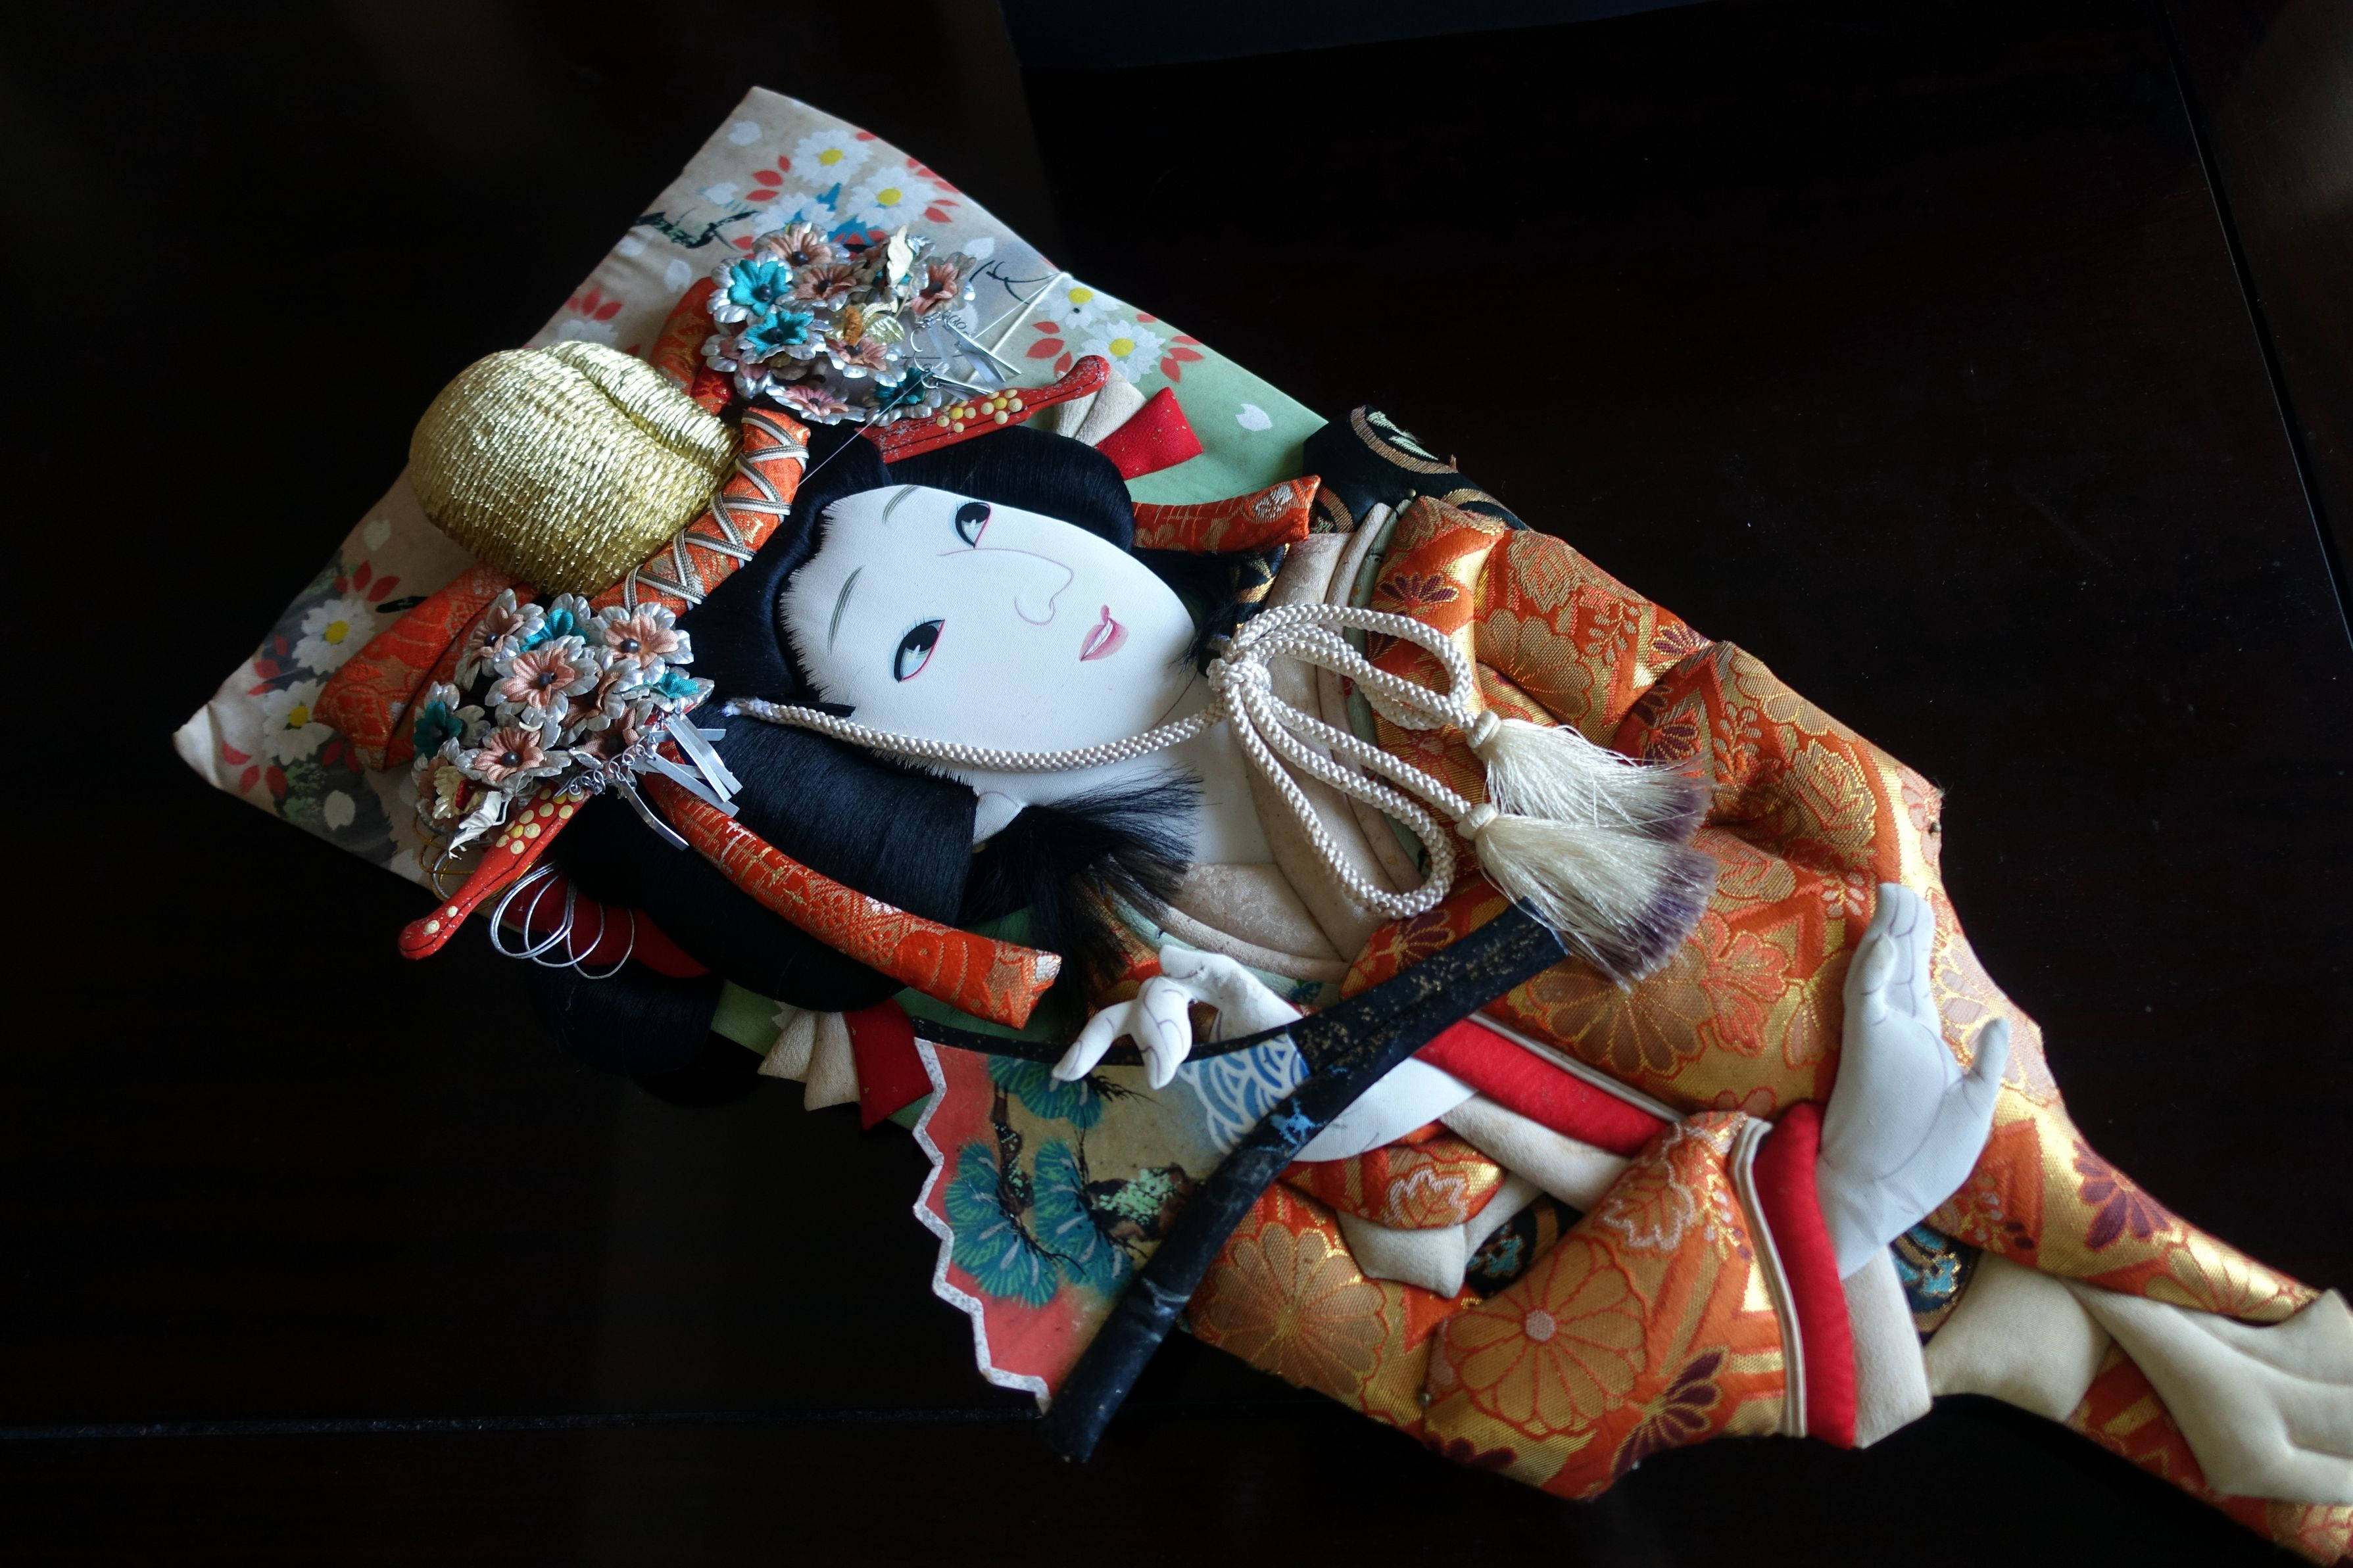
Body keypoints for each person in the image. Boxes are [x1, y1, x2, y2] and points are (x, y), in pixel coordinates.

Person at [334, 302, 2352, 1559]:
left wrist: (1896, 944)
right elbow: (1481, 1390)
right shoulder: (1121, 1083)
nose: (1019, 588)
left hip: (1891, 998)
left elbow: (1738, 718)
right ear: (895, 784)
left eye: (964, 521)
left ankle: (2206, 1341)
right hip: (1770, 1253)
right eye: (916, 643)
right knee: (2072, 1332)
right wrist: (1827, 1213)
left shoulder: (1414, 602)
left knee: (2145, 1259)